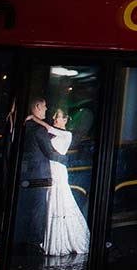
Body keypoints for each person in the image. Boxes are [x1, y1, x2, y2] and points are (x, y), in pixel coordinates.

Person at [42, 108, 90, 256]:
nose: (55, 118)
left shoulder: (66, 134)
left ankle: (64, 240)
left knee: (60, 200)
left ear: (65, 120)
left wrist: (33, 117)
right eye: (55, 115)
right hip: (52, 168)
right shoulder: (56, 132)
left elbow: (48, 128)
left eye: (59, 116)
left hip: (58, 169)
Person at [17, 98, 60, 253]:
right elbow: (50, 153)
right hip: (39, 173)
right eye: (44, 107)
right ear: (37, 107)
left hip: (26, 172)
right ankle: (35, 241)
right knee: (38, 206)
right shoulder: (40, 131)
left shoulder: (24, 126)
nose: (46, 109)